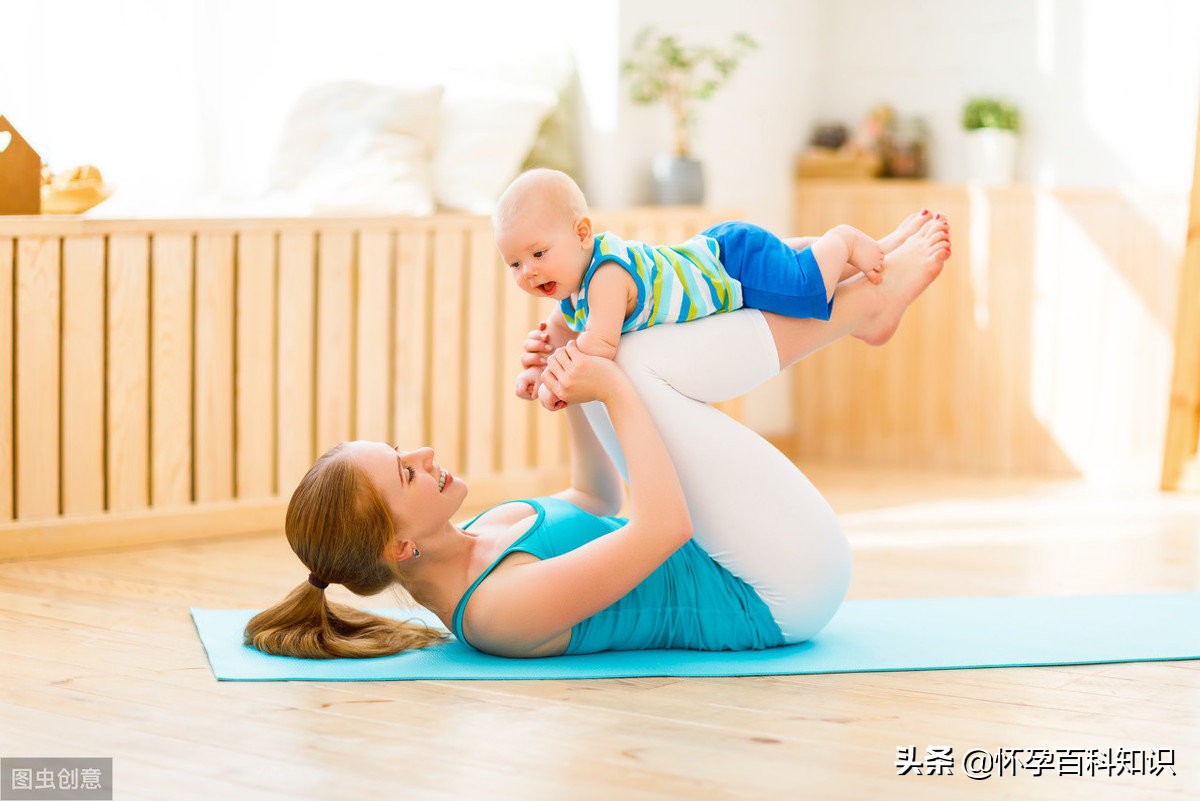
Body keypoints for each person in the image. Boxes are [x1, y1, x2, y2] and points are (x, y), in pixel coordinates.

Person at [244, 211, 951, 659]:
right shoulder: (493, 613)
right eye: (405, 471)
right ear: (400, 546)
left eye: (401, 451)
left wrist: (566, 376)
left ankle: (858, 297)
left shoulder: (488, 528)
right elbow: (661, 527)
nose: (422, 453)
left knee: (623, 353)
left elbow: (594, 492)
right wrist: (602, 379)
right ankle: (865, 305)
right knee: (630, 362)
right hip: (777, 591)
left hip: (739, 550)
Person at [494, 168, 945, 410]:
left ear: (582, 233)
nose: (528, 272)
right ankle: (881, 250)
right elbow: (559, 334)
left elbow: (597, 348)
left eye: (537, 253)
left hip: (733, 262)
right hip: (715, 253)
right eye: (514, 264)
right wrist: (536, 370)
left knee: (807, 291)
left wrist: (558, 373)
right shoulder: (571, 295)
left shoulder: (607, 276)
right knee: (793, 264)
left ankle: (843, 239)